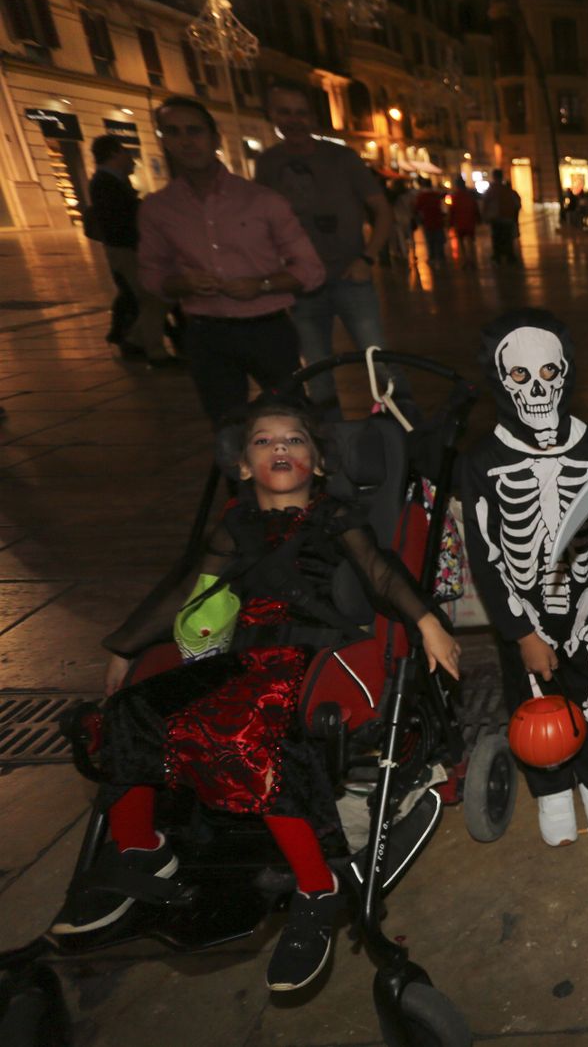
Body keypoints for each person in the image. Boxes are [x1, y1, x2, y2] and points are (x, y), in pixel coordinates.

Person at [49, 393, 462, 992]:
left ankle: (317, 886)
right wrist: (125, 646)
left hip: (309, 652)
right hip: (242, 656)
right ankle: (142, 848)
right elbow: (188, 593)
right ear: (244, 466)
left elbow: (379, 572)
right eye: (264, 441)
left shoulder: (334, 517)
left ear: (319, 462)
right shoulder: (236, 525)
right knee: (133, 710)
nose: (280, 448)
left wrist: (425, 621)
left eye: (294, 439)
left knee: (244, 731)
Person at [461, 309, 588, 847]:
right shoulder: (483, 460)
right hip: (524, 612)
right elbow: (486, 556)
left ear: (565, 373)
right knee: (536, 707)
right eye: (520, 376)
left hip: (587, 606)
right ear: (502, 381)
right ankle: (551, 791)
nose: (537, 389)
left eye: (548, 373)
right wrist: (520, 632)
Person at [138, 97, 325, 423]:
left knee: (291, 419)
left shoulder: (262, 200)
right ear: (164, 141)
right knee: (226, 424)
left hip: (267, 328)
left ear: (215, 138)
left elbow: (311, 269)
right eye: (173, 132)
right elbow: (152, 273)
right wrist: (182, 283)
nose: (186, 141)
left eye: (194, 131)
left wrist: (262, 285)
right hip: (206, 332)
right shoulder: (158, 208)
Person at [255, 81, 402, 412]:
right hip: (301, 284)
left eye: (301, 113)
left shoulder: (342, 158)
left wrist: (367, 257)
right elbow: (262, 221)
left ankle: (408, 426)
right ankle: (329, 435)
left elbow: (382, 210)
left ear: (312, 117)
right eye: (285, 112)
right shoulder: (268, 163)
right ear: (272, 115)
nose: (294, 120)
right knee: (316, 370)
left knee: (379, 361)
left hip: (350, 275)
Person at [88, 135, 176, 364]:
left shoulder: (115, 180)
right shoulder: (105, 183)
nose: (130, 158)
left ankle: (134, 340)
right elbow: (120, 220)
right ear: (114, 153)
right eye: (125, 152)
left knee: (154, 297)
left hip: (129, 248)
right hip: (126, 250)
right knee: (153, 298)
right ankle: (154, 351)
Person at [482, 170, 522, 264]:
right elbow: (517, 204)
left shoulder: (491, 191)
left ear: (494, 177)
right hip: (508, 217)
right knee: (508, 238)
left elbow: (485, 204)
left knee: (496, 238)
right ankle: (509, 256)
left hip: (496, 218)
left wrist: (485, 217)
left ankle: (497, 256)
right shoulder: (508, 190)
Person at [413, 178, 448, 265]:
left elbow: (416, 209)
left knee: (430, 240)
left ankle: (432, 257)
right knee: (439, 241)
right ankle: (441, 257)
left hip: (427, 221)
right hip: (438, 221)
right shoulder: (436, 195)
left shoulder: (421, 197)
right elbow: (443, 208)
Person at [448, 176, 479, 267]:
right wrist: (478, 219)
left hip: (459, 223)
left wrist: (450, 223)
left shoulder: (455, 196)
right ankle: (473, 260)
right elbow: (475, 208)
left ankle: (465, 260)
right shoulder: (470, 195)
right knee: (471, 242)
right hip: (470, 222)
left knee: (461, 243)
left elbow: (452, 211)